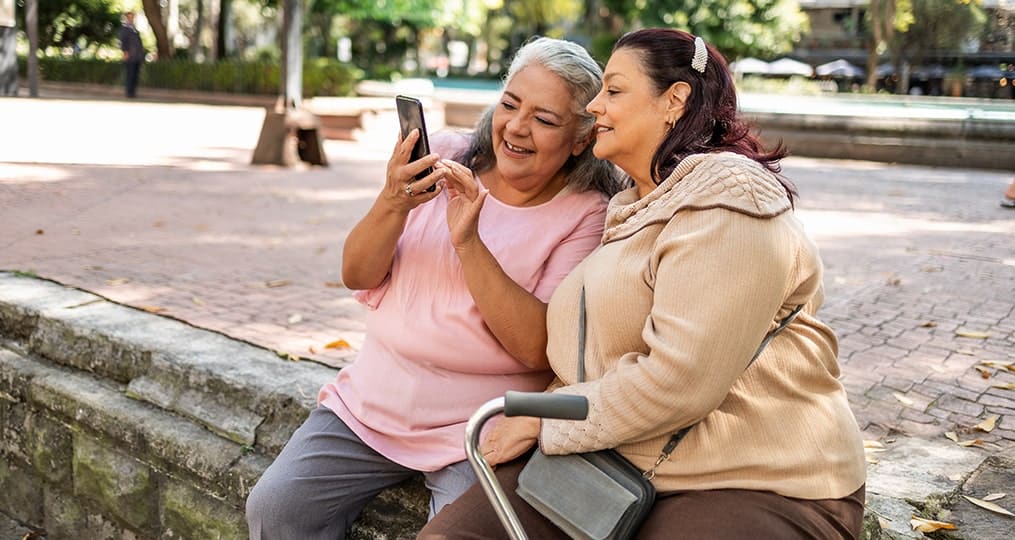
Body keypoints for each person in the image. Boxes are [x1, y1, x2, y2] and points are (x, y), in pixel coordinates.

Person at [421, 28, 867, 539]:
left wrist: (545, 422)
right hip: (617, 456)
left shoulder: (729, 200)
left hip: (753, 476)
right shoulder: (633, 206)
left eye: (613, 90)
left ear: (673, 101)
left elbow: (678, 382)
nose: (594, 107)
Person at [245, 37, 624, 539]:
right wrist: (393, 201)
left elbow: (536, 348)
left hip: (476, 427)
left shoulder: (586, 213)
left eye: (545, 119)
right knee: (275, 507)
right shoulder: (445, 154)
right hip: (370, 405)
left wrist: (468, 240)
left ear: (580, 138)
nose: (516, 126)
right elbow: (357, 274)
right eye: (510, 104)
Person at [119, 11, 145, 98]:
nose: (131, 19)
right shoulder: (125, 29)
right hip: (130, 55)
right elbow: (123, 41)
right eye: (130, 17)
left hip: (137, 56)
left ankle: (133, 92)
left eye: (132, 17)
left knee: (135, 75)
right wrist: (125, 52)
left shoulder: (134, 29)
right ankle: (129, 92)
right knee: (130, 74)